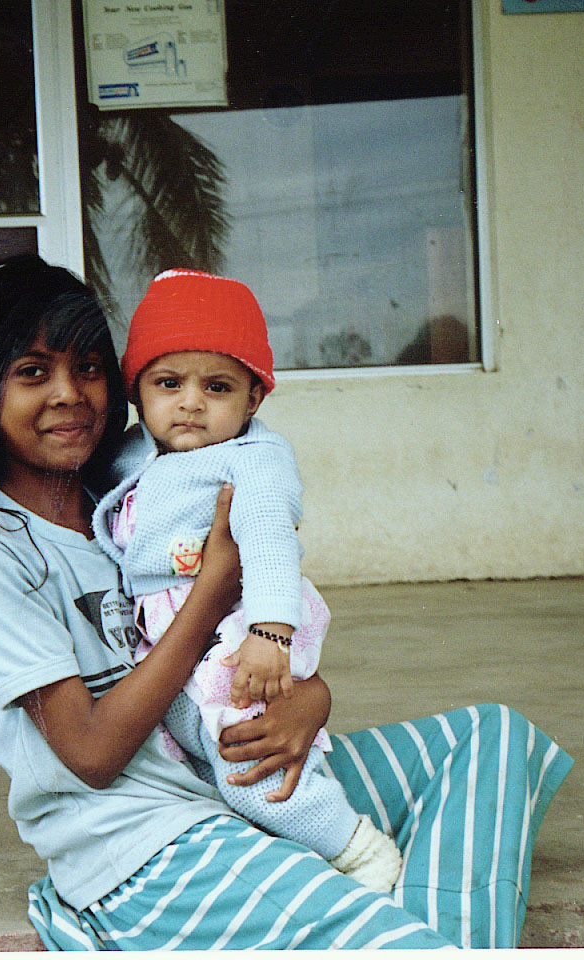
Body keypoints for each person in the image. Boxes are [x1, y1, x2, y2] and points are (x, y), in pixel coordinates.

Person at [0, 254, 572, 950]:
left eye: (88, 367)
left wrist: (311, 698)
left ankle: (416, 927)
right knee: (400, 947)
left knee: (491, 739)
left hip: (225, 772)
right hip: (147, 846)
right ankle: (411, 932)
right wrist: (210, 594)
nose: (68, 393)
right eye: (33, 372)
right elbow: (90, 753)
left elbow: (239, 645)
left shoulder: (121, 503)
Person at [90, 268, 400, 893]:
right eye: (168, 383)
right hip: (169, 642)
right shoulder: (132, 453)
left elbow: (268, 547)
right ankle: (298, 848)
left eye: (218, 386)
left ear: (253, 400)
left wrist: (271, 633)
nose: (192, 402)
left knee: (247, 764)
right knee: (205, 756)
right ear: (139, 393)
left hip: (234, 638)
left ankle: (359, 851)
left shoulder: (251, 459)